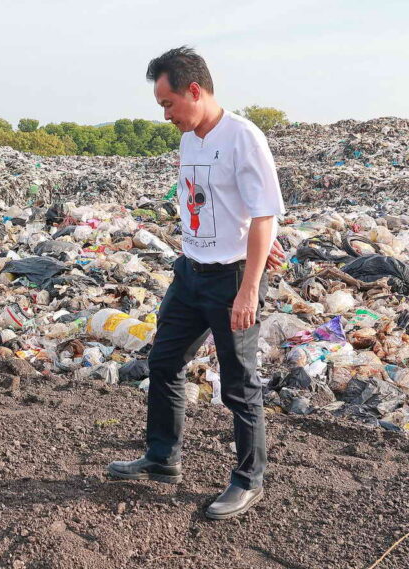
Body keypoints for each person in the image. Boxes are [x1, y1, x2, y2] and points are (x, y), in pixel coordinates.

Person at [107, 47, 286, 520]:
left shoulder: (244, 138)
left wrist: (249, 289)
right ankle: (162, 457)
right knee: (164, 362)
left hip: (231, 279)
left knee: (238, 384)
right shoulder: (190, 139)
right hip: (190, 271)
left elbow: (264, 214)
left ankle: (248, 480)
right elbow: (211, 202)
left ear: (194, 90)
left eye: (168, 104)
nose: (166, 115)